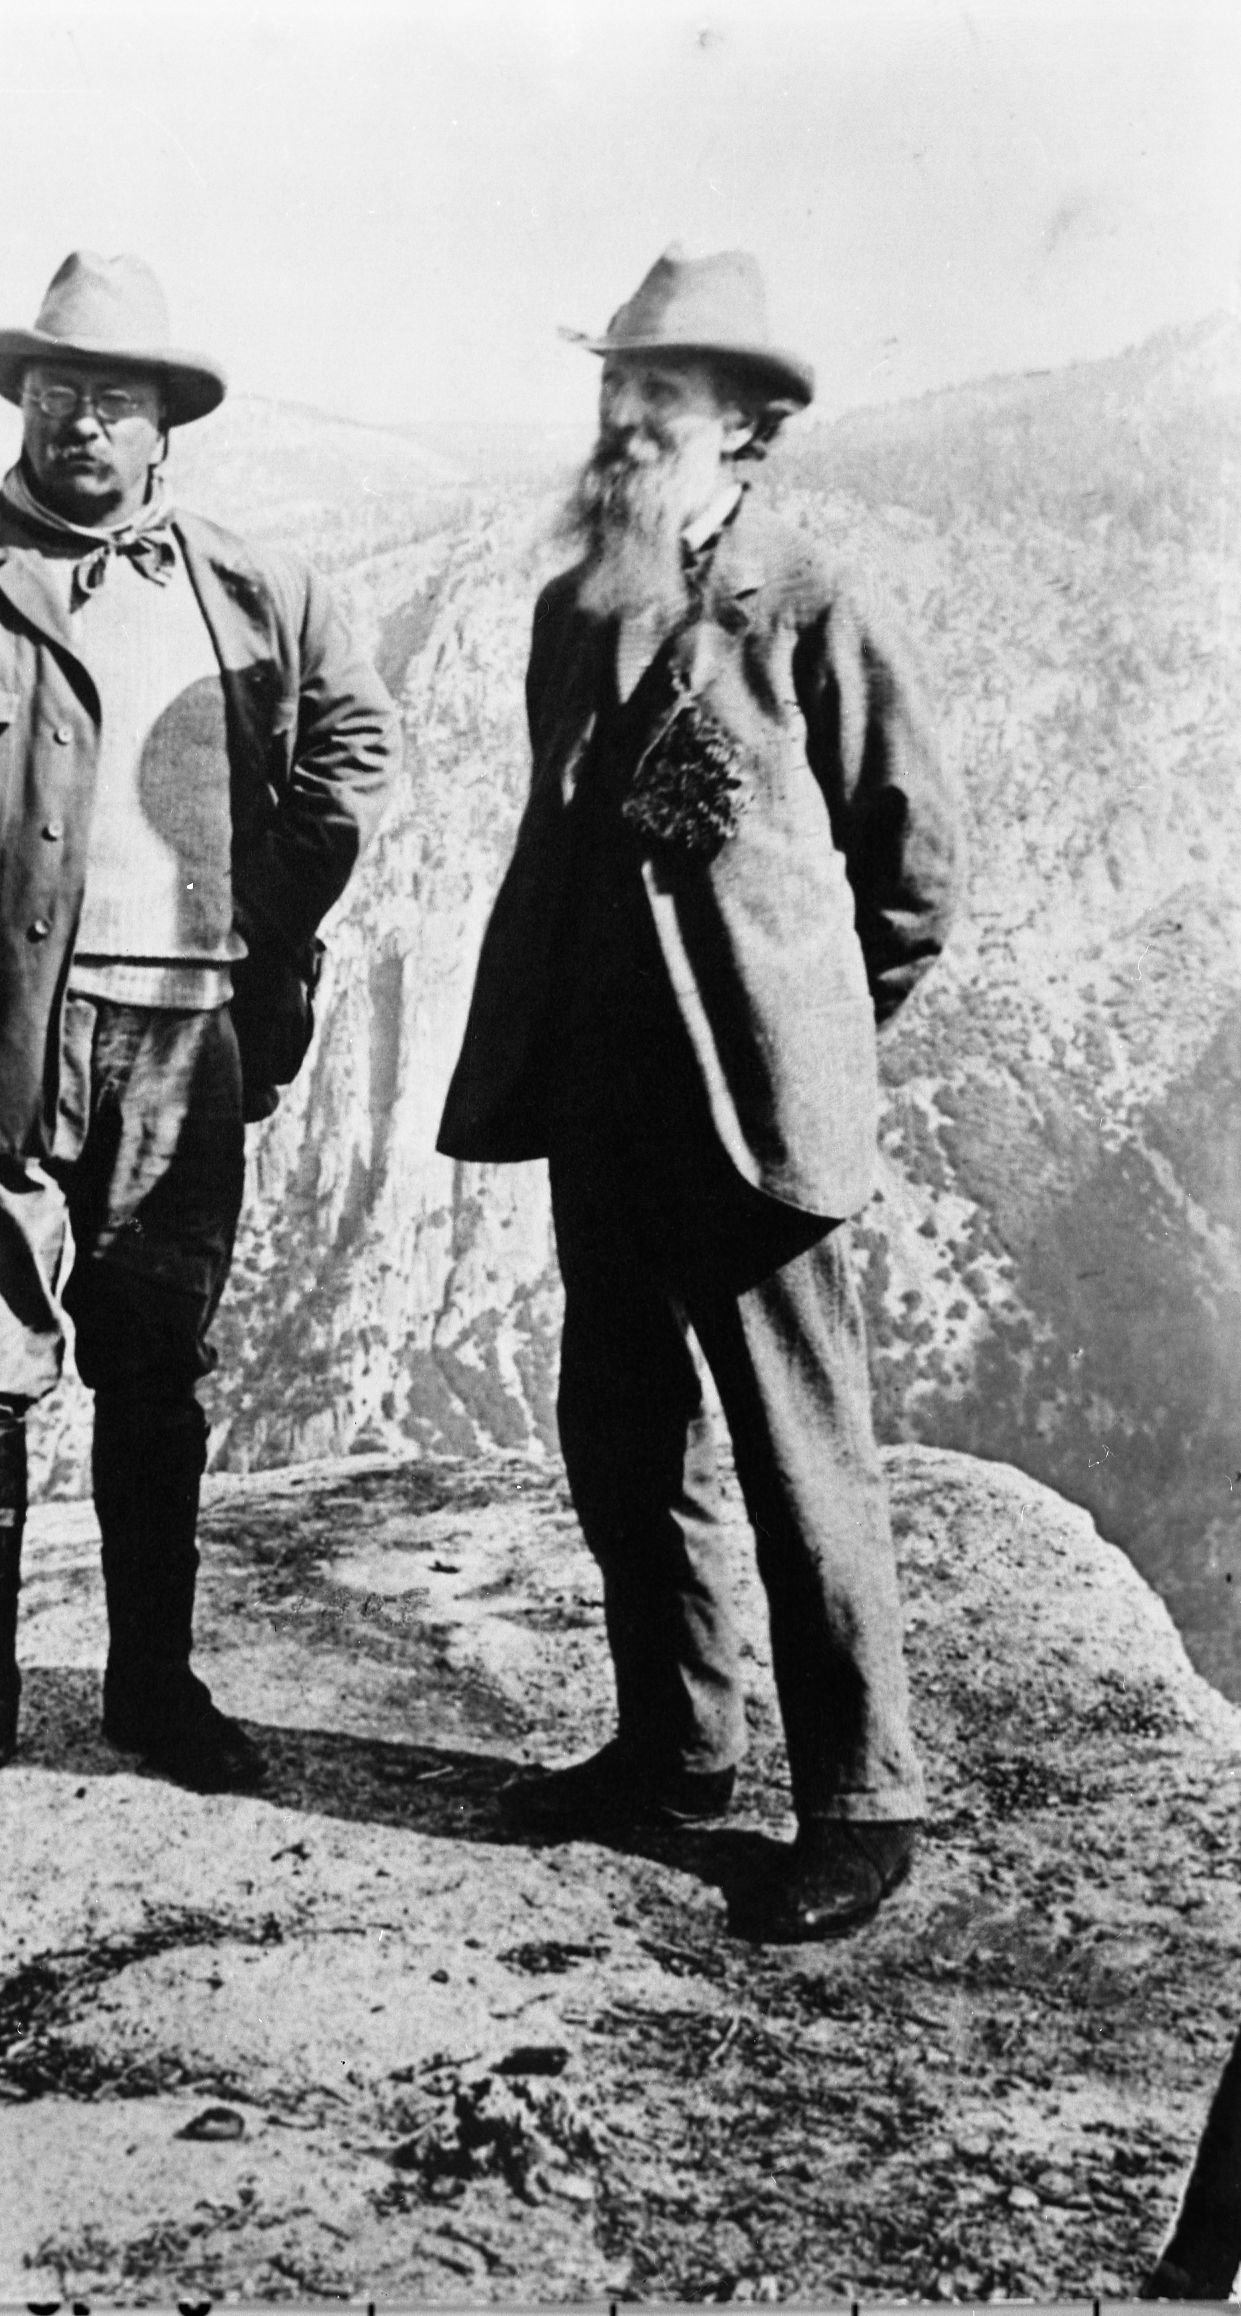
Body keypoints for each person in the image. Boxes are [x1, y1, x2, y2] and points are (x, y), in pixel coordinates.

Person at [0, 251, 397, 1819]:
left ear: (163, 431)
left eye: (115, 402)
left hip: (186, 1030)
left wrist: (264, 905)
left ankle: (154, 1685)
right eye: (58, 393)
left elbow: (353, 744)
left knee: (156, 1368)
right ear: (24, 407)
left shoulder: (252, 589)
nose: (82, 423)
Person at [438, 247, 964, 1940]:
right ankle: (671, 1752)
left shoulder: (808, 597)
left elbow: (910, 873)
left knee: (799, 1451)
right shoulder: (573, 601)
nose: (619, 415)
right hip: (602, 1095)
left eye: (655, 391)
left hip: (751, 1114)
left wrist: (805, 1029)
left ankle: (860, 1804)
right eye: (613, 385)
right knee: (621, 1435)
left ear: (744, 423)